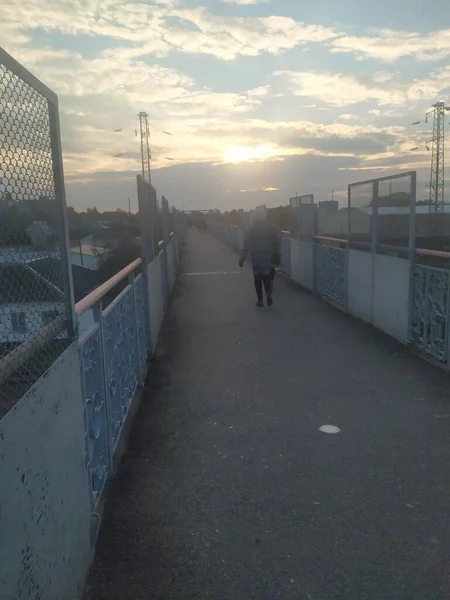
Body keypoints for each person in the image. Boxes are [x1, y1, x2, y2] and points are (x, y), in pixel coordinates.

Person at [239, 218, 281, 307]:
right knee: (266, 278)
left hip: (256, 257)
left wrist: (242, 259)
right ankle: (268, 294)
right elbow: (276, 242)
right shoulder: (270, 227)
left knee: (257, 279)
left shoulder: (252, 229)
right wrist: (277, 255)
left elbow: (246, 245)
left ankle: (260, 301)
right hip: (267, 257)